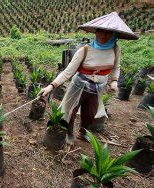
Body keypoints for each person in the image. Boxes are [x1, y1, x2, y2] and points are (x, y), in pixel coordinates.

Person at [39, 12, 139, 142]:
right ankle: (69, 132)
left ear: (115, 35)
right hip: (79, 84)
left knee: (90, 112)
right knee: (70, 110)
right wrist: (51, 86)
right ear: (95, 32)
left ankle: (83, 131)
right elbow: (68, 71)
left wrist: (114, 80)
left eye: (108, 33)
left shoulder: (115, 49)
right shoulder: (84, 50)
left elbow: (116, 67)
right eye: (100, 31)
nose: (103, 35)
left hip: (98, 87)